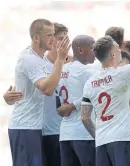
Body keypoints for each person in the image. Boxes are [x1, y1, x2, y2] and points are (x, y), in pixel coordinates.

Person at [80, 8, 130, 166]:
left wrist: (99, 135)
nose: (120, 51)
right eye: (117, 50)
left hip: (102, 143)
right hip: (124, 140)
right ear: (112, 55)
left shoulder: (90, 82)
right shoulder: (122, 73)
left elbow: (85, 117)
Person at [8, 18, 70, 166]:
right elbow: (48, 89)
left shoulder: (39, 58)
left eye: (54, 35)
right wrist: (61, 60)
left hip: (34, 128)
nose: (53, 39)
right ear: (36, 37)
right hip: (24, 127)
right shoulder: (29, 59)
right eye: (49, 35)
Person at [57, 35, 96, 166]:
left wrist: (67, 106)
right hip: (83, 133)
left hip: (65, 134)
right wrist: (73, 105)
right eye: (92, 48)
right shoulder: (86, 71)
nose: (95, 52)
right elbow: (94, 95)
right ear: (80, 50)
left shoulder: (60, 69)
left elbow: (57, 101)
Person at [42, 22, 69, 166]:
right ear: (51, 41)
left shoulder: (74, 63)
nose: (64, 42)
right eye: (60, 38)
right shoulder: (39, 63)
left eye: (66, 38)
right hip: (48, 131)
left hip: (70, 132)